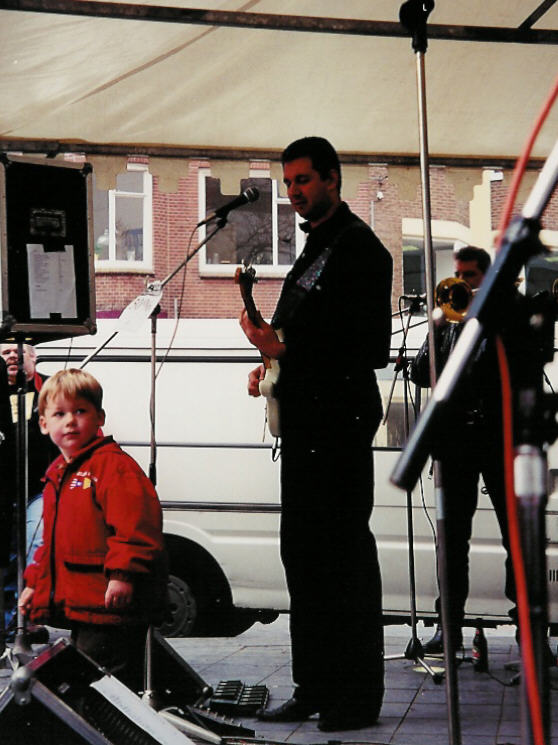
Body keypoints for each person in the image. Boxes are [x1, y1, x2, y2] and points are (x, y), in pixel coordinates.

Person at [240, 136, 393, 732]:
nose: (293, 192)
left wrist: (286, 352)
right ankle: (314, 686)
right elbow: (297, 333)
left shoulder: (361, 249)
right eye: (288, 182)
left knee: (342, 558)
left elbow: (369, 348)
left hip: (338, 424)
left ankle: (356, 697)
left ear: (332, 178)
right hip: (305, 424)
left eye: (303, 179)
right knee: (303, 557)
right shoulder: (315, 248)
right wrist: (270, 366)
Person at [19, 369, 167, 692]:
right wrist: (34, 586)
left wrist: (123, 575)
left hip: (110, 606)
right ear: (43, 424)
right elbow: (50, 544)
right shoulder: (59, 473)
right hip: (85, 606)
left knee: (102, 686)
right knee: (90, 677)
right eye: (59, 414)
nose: (70, 421)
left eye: (80, 411)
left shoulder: (112, 466)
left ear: (99, 418)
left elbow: (135, 527)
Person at [410, 245, 523, 654]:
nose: (461, 283)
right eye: (457, 275)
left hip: (498, 438)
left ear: (486, 278)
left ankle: (527, 631)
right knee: (452, 540)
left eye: (469, 276)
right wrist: (436, 327)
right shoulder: (448, 321)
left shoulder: (506, 315)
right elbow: (419, 372)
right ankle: (449, 628)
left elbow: (524, 365)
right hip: (455, 442)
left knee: (517, 538)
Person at [1, 343, 57, 637]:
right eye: (5, 352)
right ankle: (11, 622)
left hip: (38, 489)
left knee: (36, 545)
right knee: (8, 557)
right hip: (4, 491)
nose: (13, 356)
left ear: (33, 357)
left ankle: (25, 617)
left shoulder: (49, 389)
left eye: (19, 351)